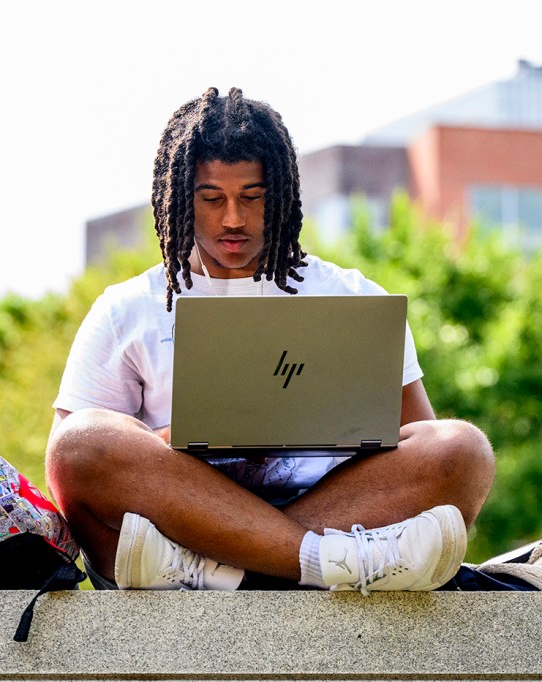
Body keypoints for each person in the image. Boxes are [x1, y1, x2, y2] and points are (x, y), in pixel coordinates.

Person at [45, 87, 495, 593]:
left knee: (463, 450)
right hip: (183, 533)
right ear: (178, 197)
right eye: (212, 199)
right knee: (80, 443)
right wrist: (184, 442)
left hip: (306, 523)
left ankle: (240, 573)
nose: (232, 218)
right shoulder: (127, 309)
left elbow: (422, 454)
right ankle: (319, 565)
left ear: (281, 195)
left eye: (253, 198)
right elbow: (70, 479)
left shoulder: (349, 297)